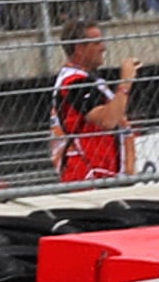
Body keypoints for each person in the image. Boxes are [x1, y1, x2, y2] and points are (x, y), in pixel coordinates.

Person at [49, 22, 136, 182]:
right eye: (96, 43)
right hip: (90, 175)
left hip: (104, 173)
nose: (103, 48)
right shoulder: (74, 82)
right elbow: (107, 120)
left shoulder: (85, 80)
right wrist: (126, 81)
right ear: (79, 48)